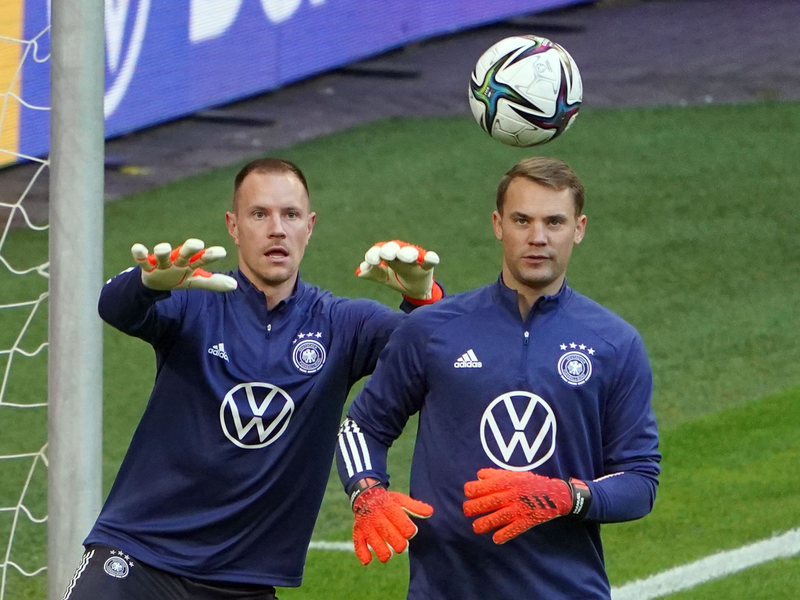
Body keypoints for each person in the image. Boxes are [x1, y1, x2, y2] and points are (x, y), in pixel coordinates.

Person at [61, 157, 443, 600]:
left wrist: (423, 299)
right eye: (259, 214)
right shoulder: (195, 302)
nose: (276, 229)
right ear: (234, 225)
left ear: (310, 226)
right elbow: (115, 308)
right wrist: (147, 283)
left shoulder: (343, 324)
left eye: (291, 215)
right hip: (139, 558)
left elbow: (434, 356)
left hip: (244, 583)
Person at [336, 156, 661, 600]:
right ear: (497, 224)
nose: (538, 238)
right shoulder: (432, 329)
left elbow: (639, 481)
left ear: (579, 228)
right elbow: (363, 427)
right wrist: (367, 494)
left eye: (555, 222)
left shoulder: (614, 344)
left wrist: (566, 496)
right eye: (522, 220)